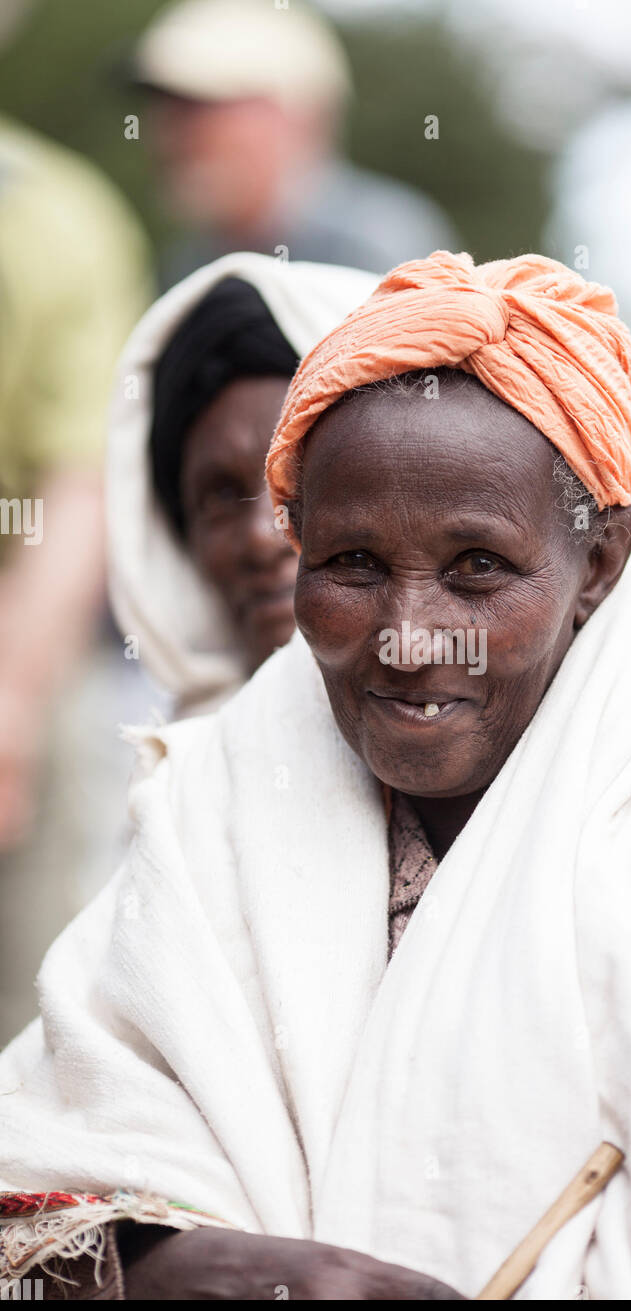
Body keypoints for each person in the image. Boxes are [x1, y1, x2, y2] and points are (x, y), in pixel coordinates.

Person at [1, 251, 631, 1301]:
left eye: (478, 570)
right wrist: (168, 1266)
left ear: (598, 562)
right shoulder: (225, 786)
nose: (412, 641)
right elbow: (47, 1237)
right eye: (352, 564)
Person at [0, 113, 151, 1042]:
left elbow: (75, 481)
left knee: (33, 989)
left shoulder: (52, 218)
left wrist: (13, 697)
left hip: (21, 625)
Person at [106, 252, 377, 718]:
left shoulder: (524, 759)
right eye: (220, 497)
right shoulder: (177, 779)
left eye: (301, 477)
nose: (260, 535)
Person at [127, 0, 458, 283]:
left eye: (199, 110)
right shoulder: (187, 264)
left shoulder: (382, 245)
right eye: (165, 112)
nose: (170, 135)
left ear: (298, 118)